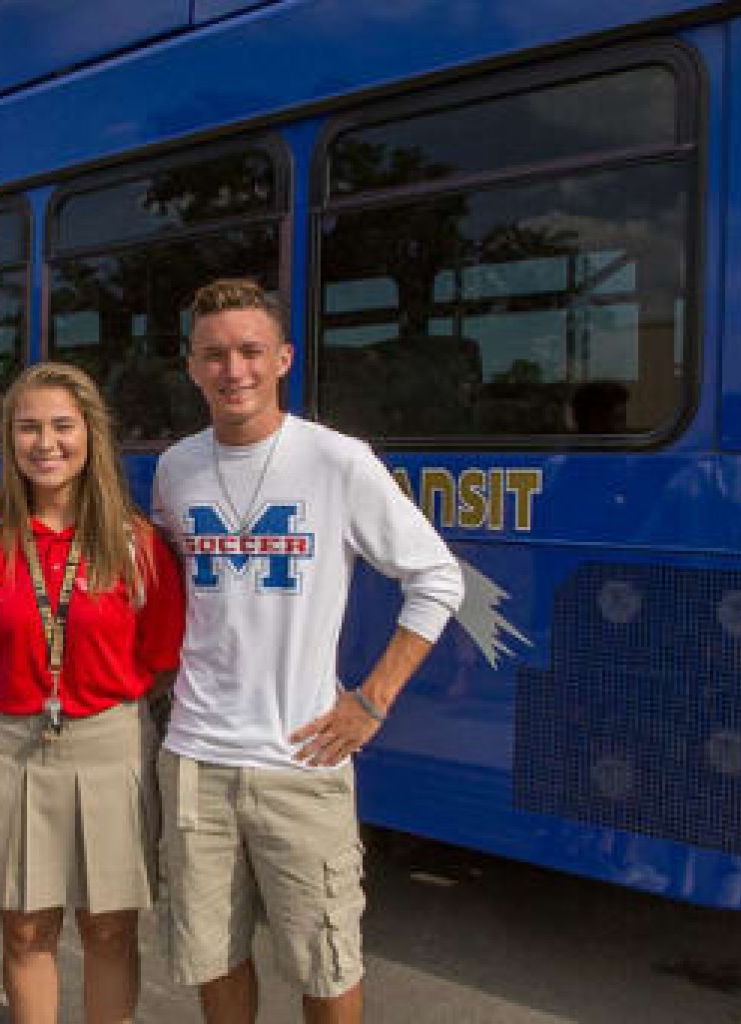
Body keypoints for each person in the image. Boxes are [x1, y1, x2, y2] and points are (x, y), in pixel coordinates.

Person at [150, 279, 464, 1024]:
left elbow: (438, 578)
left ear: (283, 358)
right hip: (195, 760)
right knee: (213, 958)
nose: (235, 371)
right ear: (191, 367)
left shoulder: (336, 461)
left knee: (326, 964)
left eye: (252, 351)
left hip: (302, 761)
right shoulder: (175, 469)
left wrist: (371, 699)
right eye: (215, 354)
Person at [0, 362, 185, 1024]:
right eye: (28, 428)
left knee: (108, 931)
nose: (45, 443)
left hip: (109, 748)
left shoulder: (136, 545)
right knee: (27, 932)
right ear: (9, 440)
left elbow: (160, 659)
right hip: (11, 747)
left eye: (61, 425)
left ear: (90, 434)